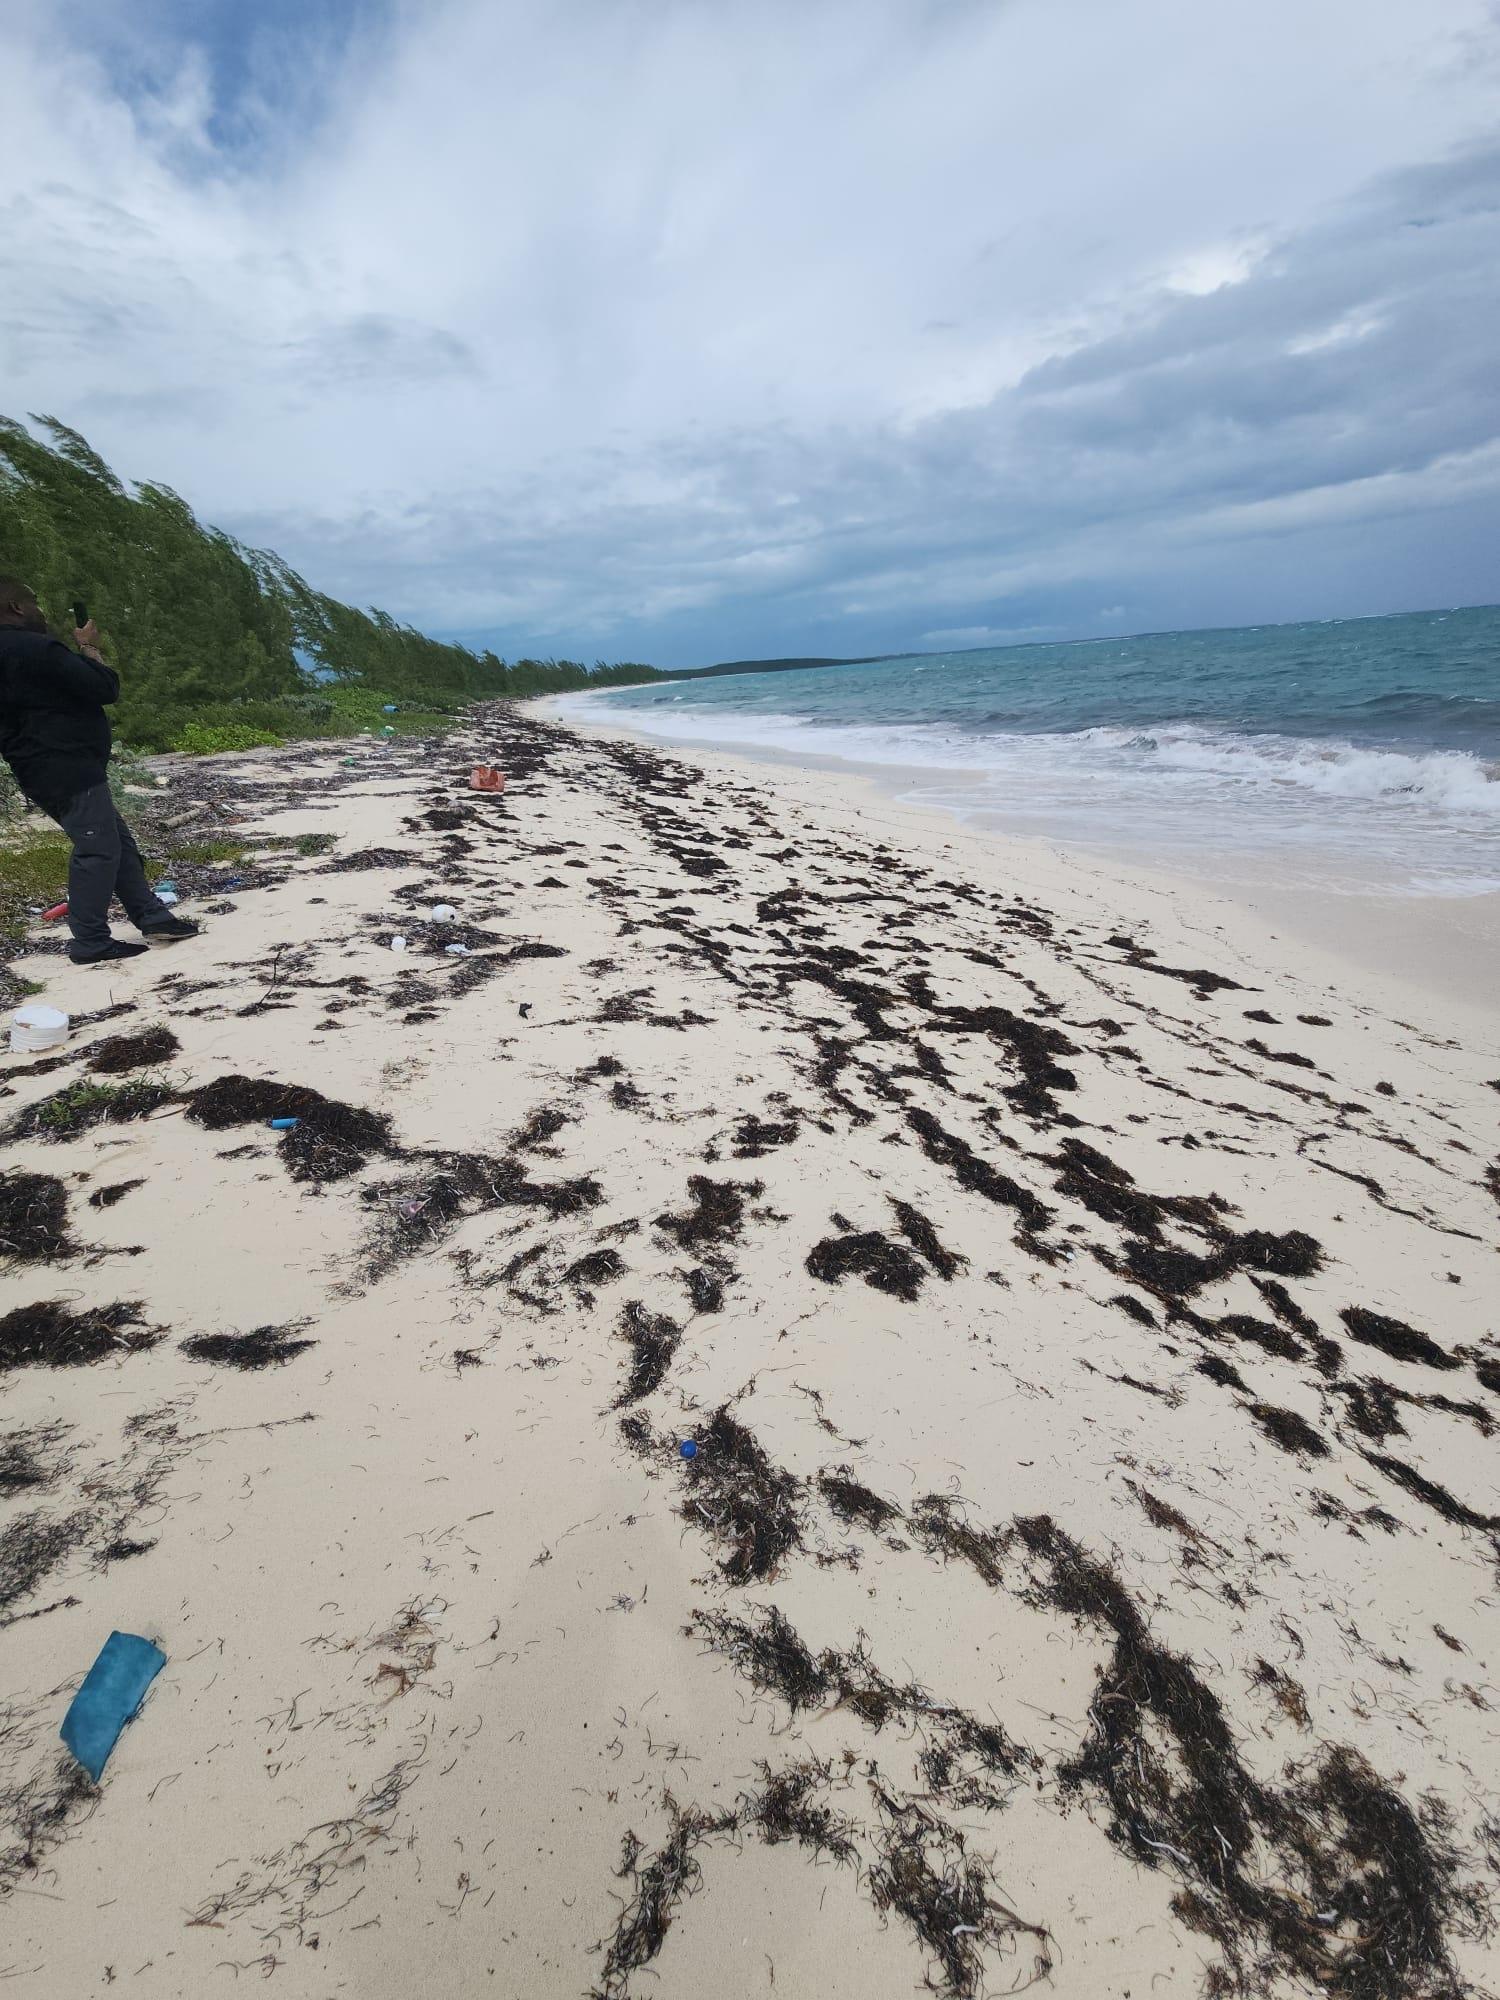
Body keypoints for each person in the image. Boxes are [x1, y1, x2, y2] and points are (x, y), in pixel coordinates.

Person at [0, 577, 198, 964]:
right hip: (66, 764)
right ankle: (89, 941)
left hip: (36, 766)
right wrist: (90, 647)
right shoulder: (38, 649)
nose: (41, 611)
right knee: (98, 849)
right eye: (33, 603)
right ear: (16, 608)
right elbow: (104, 687)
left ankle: (152, 916)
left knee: (117, 842)